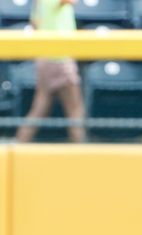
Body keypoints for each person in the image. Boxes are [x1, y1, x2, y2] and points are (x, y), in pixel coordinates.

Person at [15, 0, 85, 143]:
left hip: (45, 57)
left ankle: (17, 146)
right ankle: (83, 156)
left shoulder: (38, 3)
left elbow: (35, 24)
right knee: (75, 110)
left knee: (40, 109)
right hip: (59, 58)